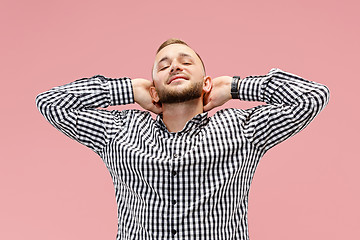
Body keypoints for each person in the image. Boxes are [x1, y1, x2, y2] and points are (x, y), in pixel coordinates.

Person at [35, 38, 330, 240]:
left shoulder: (243, 129)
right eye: (163, 65)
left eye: (186, 61)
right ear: (153, 90)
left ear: (206, 83)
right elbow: (51, 103)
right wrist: (126, 89)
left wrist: (236, 86)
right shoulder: (120, 130)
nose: (174, 66)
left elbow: (312, 97)